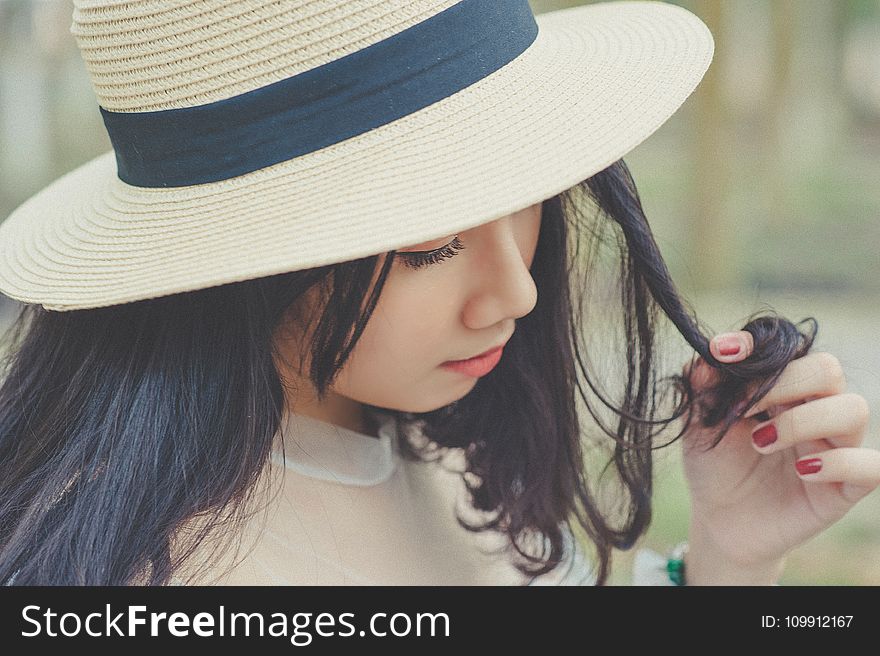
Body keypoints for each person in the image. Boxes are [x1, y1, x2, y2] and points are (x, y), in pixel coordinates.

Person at [0, 0, 877, 586]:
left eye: (530, 197)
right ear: (234, 264)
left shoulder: (429, 440)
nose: (515, 293)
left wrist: (730, 555)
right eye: (431, 245)